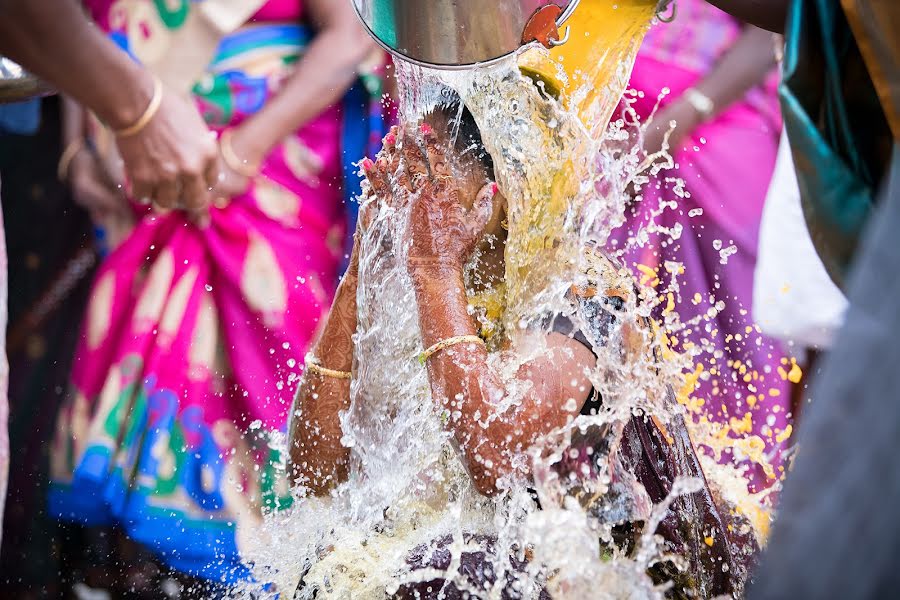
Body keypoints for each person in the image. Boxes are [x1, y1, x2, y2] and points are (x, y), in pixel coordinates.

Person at [289, 101, 758, 598]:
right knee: (326, 569)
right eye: (402, 168)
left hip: (606, 568)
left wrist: (434, 272)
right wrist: (364, 267)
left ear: (507, 189)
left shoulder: (580, 295)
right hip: (490, 548)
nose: (406, 195)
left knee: (446, 573)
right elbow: (312, 476)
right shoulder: (430, 272)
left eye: (427, 171)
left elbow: (494, 460)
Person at [47, 0, 380, 586]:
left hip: (263, 173)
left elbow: (349, 38)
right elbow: (61, 23)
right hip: (139, 177)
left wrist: (237, 154)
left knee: (273, 397)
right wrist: (77, 142)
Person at [607, 0, 790, 491]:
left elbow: (777, 28)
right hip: (602, 128)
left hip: (716, 115)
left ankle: (739, 504)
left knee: (734, 354)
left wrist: (673, 123)